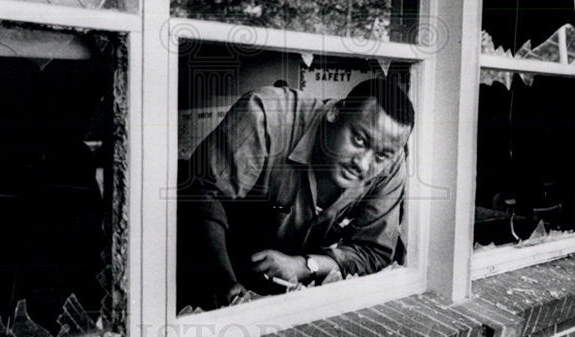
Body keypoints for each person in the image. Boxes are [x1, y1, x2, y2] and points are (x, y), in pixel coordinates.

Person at [177, 77, 415, 311]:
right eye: (359, 139)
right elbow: (203, 195)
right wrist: (224, 283)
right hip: (203, 262)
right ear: (335, 113)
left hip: (281, 286)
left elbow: (373, 251)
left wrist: (305, 265)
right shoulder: (265, 115)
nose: (363, 164)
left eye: (381, 156)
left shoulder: (391, 163)